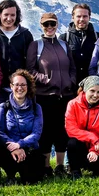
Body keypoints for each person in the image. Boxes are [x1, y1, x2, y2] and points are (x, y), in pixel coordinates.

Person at [26, 12, 77, 177]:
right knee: (46, 132)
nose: (49, 27)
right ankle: (46, 166)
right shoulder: (36, 45)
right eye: (46, 24)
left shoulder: (64, 45)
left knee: (62, 131)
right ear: (41, 26)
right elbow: (30, 70)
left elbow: (72, 68)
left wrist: (71, 81)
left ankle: (60, 166)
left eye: (52, 24)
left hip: (65, 96)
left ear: (57, 25)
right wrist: (47, 79)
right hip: (44, 96)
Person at [0, 70, 45, 185]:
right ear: (11, 86)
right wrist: (14, 147)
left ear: (28, 87)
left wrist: (20, 144)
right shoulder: (3, 107)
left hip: (29, 148)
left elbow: (36, 133)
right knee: (0, 151)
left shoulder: (36, 107)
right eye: (17, 84)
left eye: (23, 85)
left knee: (31, 180)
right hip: (9, 149)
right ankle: (10, 175)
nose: (20, 88)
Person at [0, 0, 34, 103]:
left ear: (17, 16)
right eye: (6, 15)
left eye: (12, 15)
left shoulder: (25, 35)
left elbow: (30, 62)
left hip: (20, 88)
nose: (9, 18)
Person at [65, 76, 99, 179]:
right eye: (92, 91)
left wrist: (95, 151)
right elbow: (71, 129)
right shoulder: (73, 104)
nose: (95, 95)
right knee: (72, 143)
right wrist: (92, 137)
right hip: (82, 145)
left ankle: (97, 169)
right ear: (85, 90)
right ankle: (75, 171)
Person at [60, 3, 99, 82]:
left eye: (85, 16)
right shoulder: (64, 38)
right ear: (73, 17)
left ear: (89, 17)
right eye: (78, 16)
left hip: (91, 85)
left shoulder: (98, 38)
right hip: (70, 84)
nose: (82, 19)